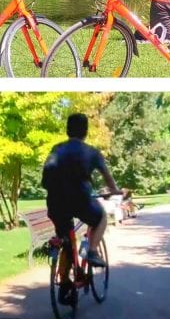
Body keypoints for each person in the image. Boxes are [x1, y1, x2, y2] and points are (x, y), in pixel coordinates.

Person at [41, 113, 120, 274]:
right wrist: (115, 191)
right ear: (86, 131)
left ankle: (63, 284)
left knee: (66, 240)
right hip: (81, 201)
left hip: (56, 203)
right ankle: (92, 251)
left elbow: (45, 178)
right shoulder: (92, 152)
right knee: (101, 217)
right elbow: (107, 177)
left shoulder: (56, 149)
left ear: (67, 130)